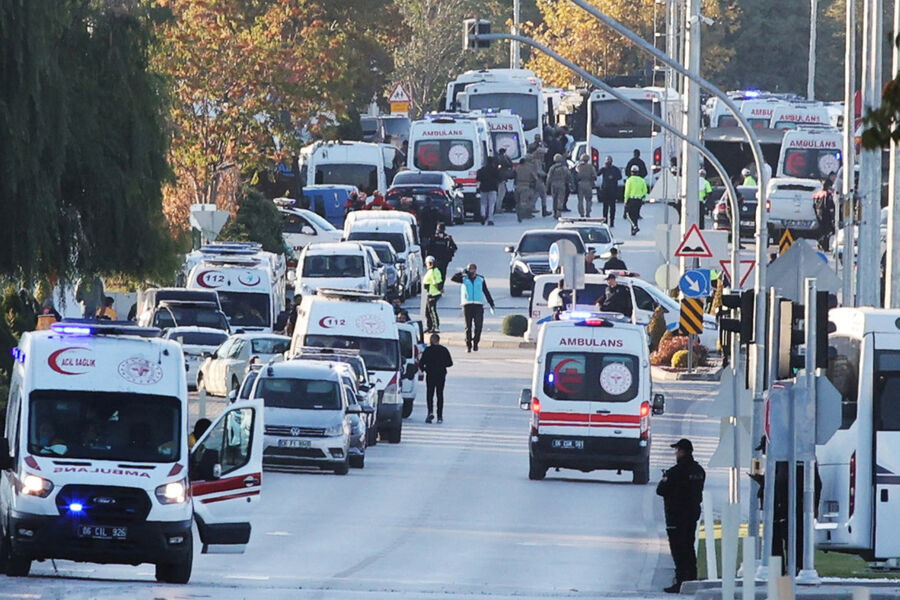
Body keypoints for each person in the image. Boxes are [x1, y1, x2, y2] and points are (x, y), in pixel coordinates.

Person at [656, 438, 706, 594]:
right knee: (689, 547)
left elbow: (661, 490)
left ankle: (681, 581)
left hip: (676, 517)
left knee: (678, 550)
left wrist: (665, 479)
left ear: (683, 452)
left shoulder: (674, 472)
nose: (676, 454)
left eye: (677, 450)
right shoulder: (699, 471)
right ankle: (691, 578)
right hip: (691, 515)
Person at [450, 263, 495, 352]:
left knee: (479, 325)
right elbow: (453, 278)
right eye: (470, 269)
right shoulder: (464, 279)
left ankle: (476, 342)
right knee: (468, 326)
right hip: (467, 305)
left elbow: (486, 291)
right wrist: (462, 273)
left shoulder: (480, 279)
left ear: (476, 270)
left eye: (473, 269)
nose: (471, 271)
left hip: (478, 305)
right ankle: (468, 345)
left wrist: (491, 303)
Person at [418, 333, 453, 424]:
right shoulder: (444, 350)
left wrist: (425, 369)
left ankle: (430, 412)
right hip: (441, 374)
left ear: (431, 340)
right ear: (438, 340)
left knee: (430, 394)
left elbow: (421, 363)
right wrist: (442, 365)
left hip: (430, 374)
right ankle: (440, 416)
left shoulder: (428, 350)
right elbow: (450, 363)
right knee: (440, 394)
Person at [624, 165, 649, 236]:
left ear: (631, 172)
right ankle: (633, 230)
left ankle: (635, 227)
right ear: (638, 172)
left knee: (628, 215)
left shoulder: (629, 180)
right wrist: (643, 199)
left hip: (631, 199)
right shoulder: (642, 180)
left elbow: (627, 192)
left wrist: (625, 200)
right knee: (635, 215)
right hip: (639, 200)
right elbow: (645, 191)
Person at [476, 155, 501, 225]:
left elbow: (478, 180)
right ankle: (490, 219)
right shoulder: (495, 170)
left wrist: (478, 189)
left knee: (483, 203)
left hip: (483, 188)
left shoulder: (481, 170)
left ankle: (483, 215)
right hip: (493, 189)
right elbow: (499, 179)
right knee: (491, 204)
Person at [514, 154, 540, 222]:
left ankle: (518, 211)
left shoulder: (517, 168)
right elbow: (535, 178)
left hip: (517, 185)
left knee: (518, 201)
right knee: (524, 201)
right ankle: (524, 214)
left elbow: (514, 175)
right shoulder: (529, 168)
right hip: (526, 185)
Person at [598, 155, 622, 227]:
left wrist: (613, 177)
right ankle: (605, 221)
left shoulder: (615, 169)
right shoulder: (603, 169)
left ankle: (612, 222)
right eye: (607, 161)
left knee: (612, 207)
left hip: (613, 190)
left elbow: (619, 177)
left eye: (609, 161)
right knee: (605, 207)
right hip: (605, 190)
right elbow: (598, 173)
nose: (608, 162)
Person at [422, 256, 443, 333]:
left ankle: (436, 326)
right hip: (430, 293)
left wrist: (440, 289)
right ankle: (429, 326)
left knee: (432, 311)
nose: (429, 265)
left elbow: (438, 282)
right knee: (427, 311)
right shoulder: (430, 271)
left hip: (434, 294)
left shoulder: (435, 271)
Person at [814, 180, 836, 251]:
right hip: (826, 215)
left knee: (822, 231)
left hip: (819, 215)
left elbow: (814, 204)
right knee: (828, 232)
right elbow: (829, 205)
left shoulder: (818, 194)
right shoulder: (827, 195)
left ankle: (821, 243)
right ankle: (824, 246)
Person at [546, 154, 569, 219]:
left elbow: (549, 177)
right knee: (560, 198)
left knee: (554, 199)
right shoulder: (564, 168)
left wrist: (547, 186)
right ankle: (559, 212)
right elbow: (568, 176)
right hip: (562, 184)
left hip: (553, 184)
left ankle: (554, 212)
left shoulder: (552, 168)